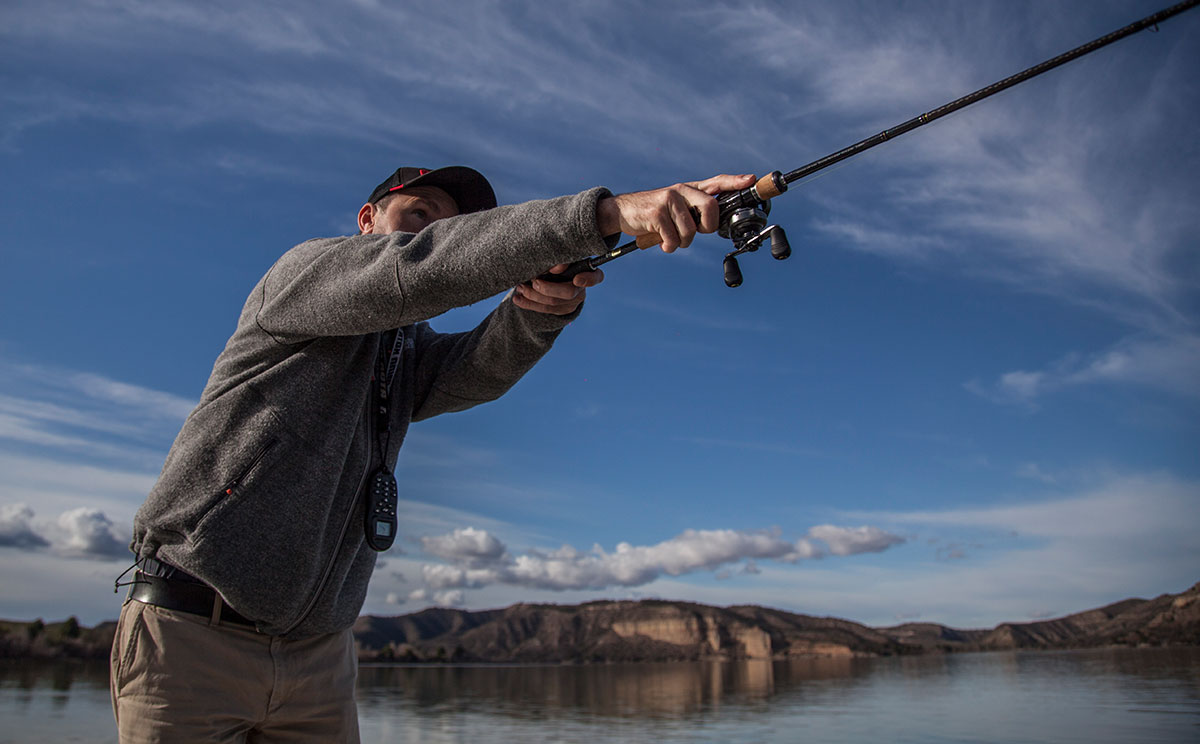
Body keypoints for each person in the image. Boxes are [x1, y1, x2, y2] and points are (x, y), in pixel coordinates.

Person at [110, 165, 756, 742]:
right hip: (191, 633)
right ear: (368, 220)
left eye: (452, 225)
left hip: (319, 657)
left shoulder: (401, 355)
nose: (434, 232)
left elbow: (473, 371)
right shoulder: (304, 272)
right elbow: (423, 269)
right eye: (417, 215)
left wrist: (536, 310)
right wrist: (606, 216)